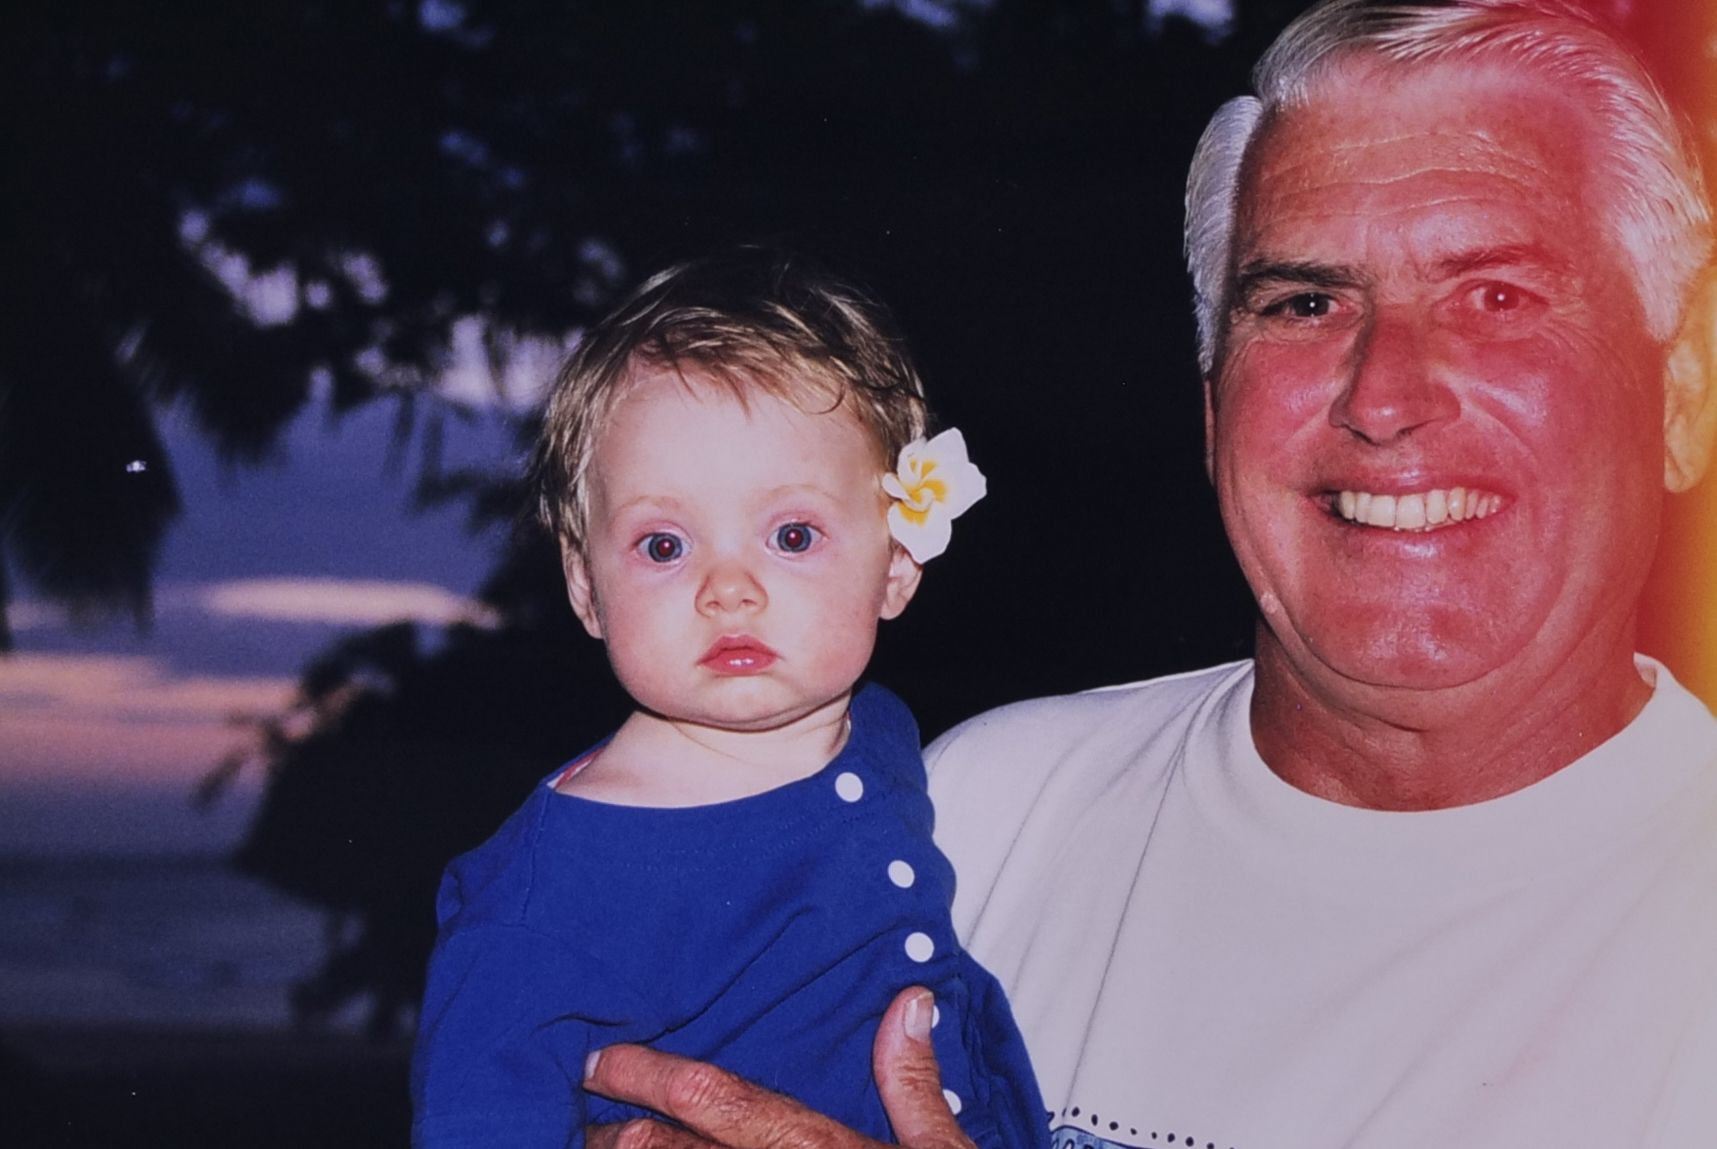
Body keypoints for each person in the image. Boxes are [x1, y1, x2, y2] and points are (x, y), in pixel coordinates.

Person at [574, 2, 1717, 1146]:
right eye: (1305, 303)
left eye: (1496, 297)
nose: (1382, 396)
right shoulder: (976, 819)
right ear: (1213, 410)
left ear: (1682, 392)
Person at [410, 249, 1048, 1149]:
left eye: (792, 534)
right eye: (664, 545)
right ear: (585, 587)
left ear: (897, 563)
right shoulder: (551, 886)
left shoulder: (880, 732)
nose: (728, 588)